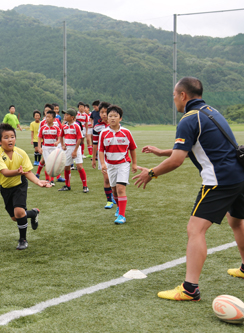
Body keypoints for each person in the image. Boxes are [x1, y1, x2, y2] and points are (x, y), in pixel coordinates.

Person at [133, 76, 244, 301]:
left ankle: (190, 288)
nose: (174, 100)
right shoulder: (212, 111)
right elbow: (198, 146)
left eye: (174, 96)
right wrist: (162, 152)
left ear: (183, 95)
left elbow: (177, 161)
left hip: (219, 181)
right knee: (236, 221)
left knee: (195, 229)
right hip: (239, 176)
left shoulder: (188, 118)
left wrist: (151, 172)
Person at [0, 123, 51, 250]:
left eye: (12, 137)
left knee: (19, 212)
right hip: (5, 188)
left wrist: (38, 182)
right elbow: (5, 172)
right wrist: (18, 172)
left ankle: (23, 240)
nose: (10, 140)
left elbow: (28, 172)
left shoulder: (21, 153)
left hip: (20, 185)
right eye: (6, 137)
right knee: (15, 217)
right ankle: (34, 213)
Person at [98, 105, 137, 224]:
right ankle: (119, 206)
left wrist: (134, 164)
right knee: (114, 190)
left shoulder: (126, 132)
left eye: (115, 116)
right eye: (110, 116)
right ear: (107, 118)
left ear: (120, 118)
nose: (112, 118)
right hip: (110, 165)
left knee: (121, 188)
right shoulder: (103, 133)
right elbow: (100, 150)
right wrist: (103, 163)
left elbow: (132, 148)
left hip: (123, 164)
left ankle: (121, 215)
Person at [92, 101, 115, 209]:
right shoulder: (97, 127)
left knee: (114, 179)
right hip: (103, 156)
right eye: (102, 112)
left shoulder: (115, 125)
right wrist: (93, 159)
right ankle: (109, 200)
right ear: (99, 114)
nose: (104, 114)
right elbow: (95, 144)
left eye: (106, 112)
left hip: (115, 155)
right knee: (106, 178)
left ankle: (114, 195)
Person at [60, 108, 88, 192]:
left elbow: (79, 138)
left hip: (76, 147)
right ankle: (67, 185)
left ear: (72, 117)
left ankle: (85, 186)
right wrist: (62, 145)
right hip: (67, 148)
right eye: (64, 114)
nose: (65, 116)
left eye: (67, 115)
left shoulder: (76, 126)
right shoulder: (64, 126)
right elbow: (61, 136)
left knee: (79, 167)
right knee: (67, 167)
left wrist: (75, 150)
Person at [37, 110, 62, 186]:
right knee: (48, 164)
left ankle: (51, 180)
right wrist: (39, 147)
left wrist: (57, 142)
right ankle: (48, 180)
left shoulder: (56, 128)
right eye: (46, 117)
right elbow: (39, 138)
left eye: (49, 117)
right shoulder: (43, 128)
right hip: (45, 148)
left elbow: (59, 137)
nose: (47, 119)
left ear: (54, 119)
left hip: (53, 148)